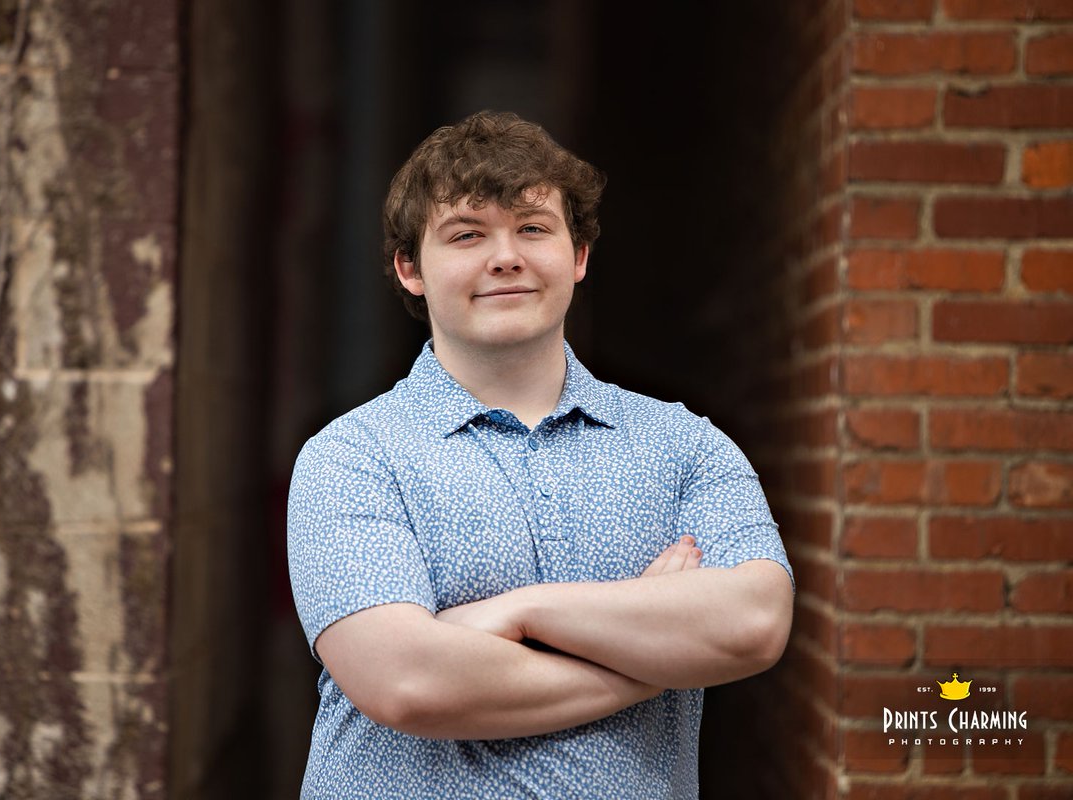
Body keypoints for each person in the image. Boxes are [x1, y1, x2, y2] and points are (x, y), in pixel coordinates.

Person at [287, 110, 794, 800]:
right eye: (467, 234)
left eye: (532, 228)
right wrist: (654, 646)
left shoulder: (686, 447)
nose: (506, 257)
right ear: (410, 269)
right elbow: (406, 681)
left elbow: (755, 623)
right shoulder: (350, 457)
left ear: (578, 256)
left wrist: (521, 613)